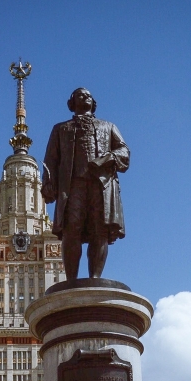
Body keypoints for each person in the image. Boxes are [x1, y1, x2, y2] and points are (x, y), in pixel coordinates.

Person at [41, 88, 130, 281]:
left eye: (89, 95)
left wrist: (107, 158)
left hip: (101, 185)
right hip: (72, 186)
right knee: (71, 228)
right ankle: (71, 281)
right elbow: (50, 160)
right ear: (72, 103)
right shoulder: (61, 129)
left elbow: (124, 151)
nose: (86, 96)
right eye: (80, 95)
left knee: (100, 228)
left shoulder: (108, 126)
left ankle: (95, 279)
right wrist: (48, 183)